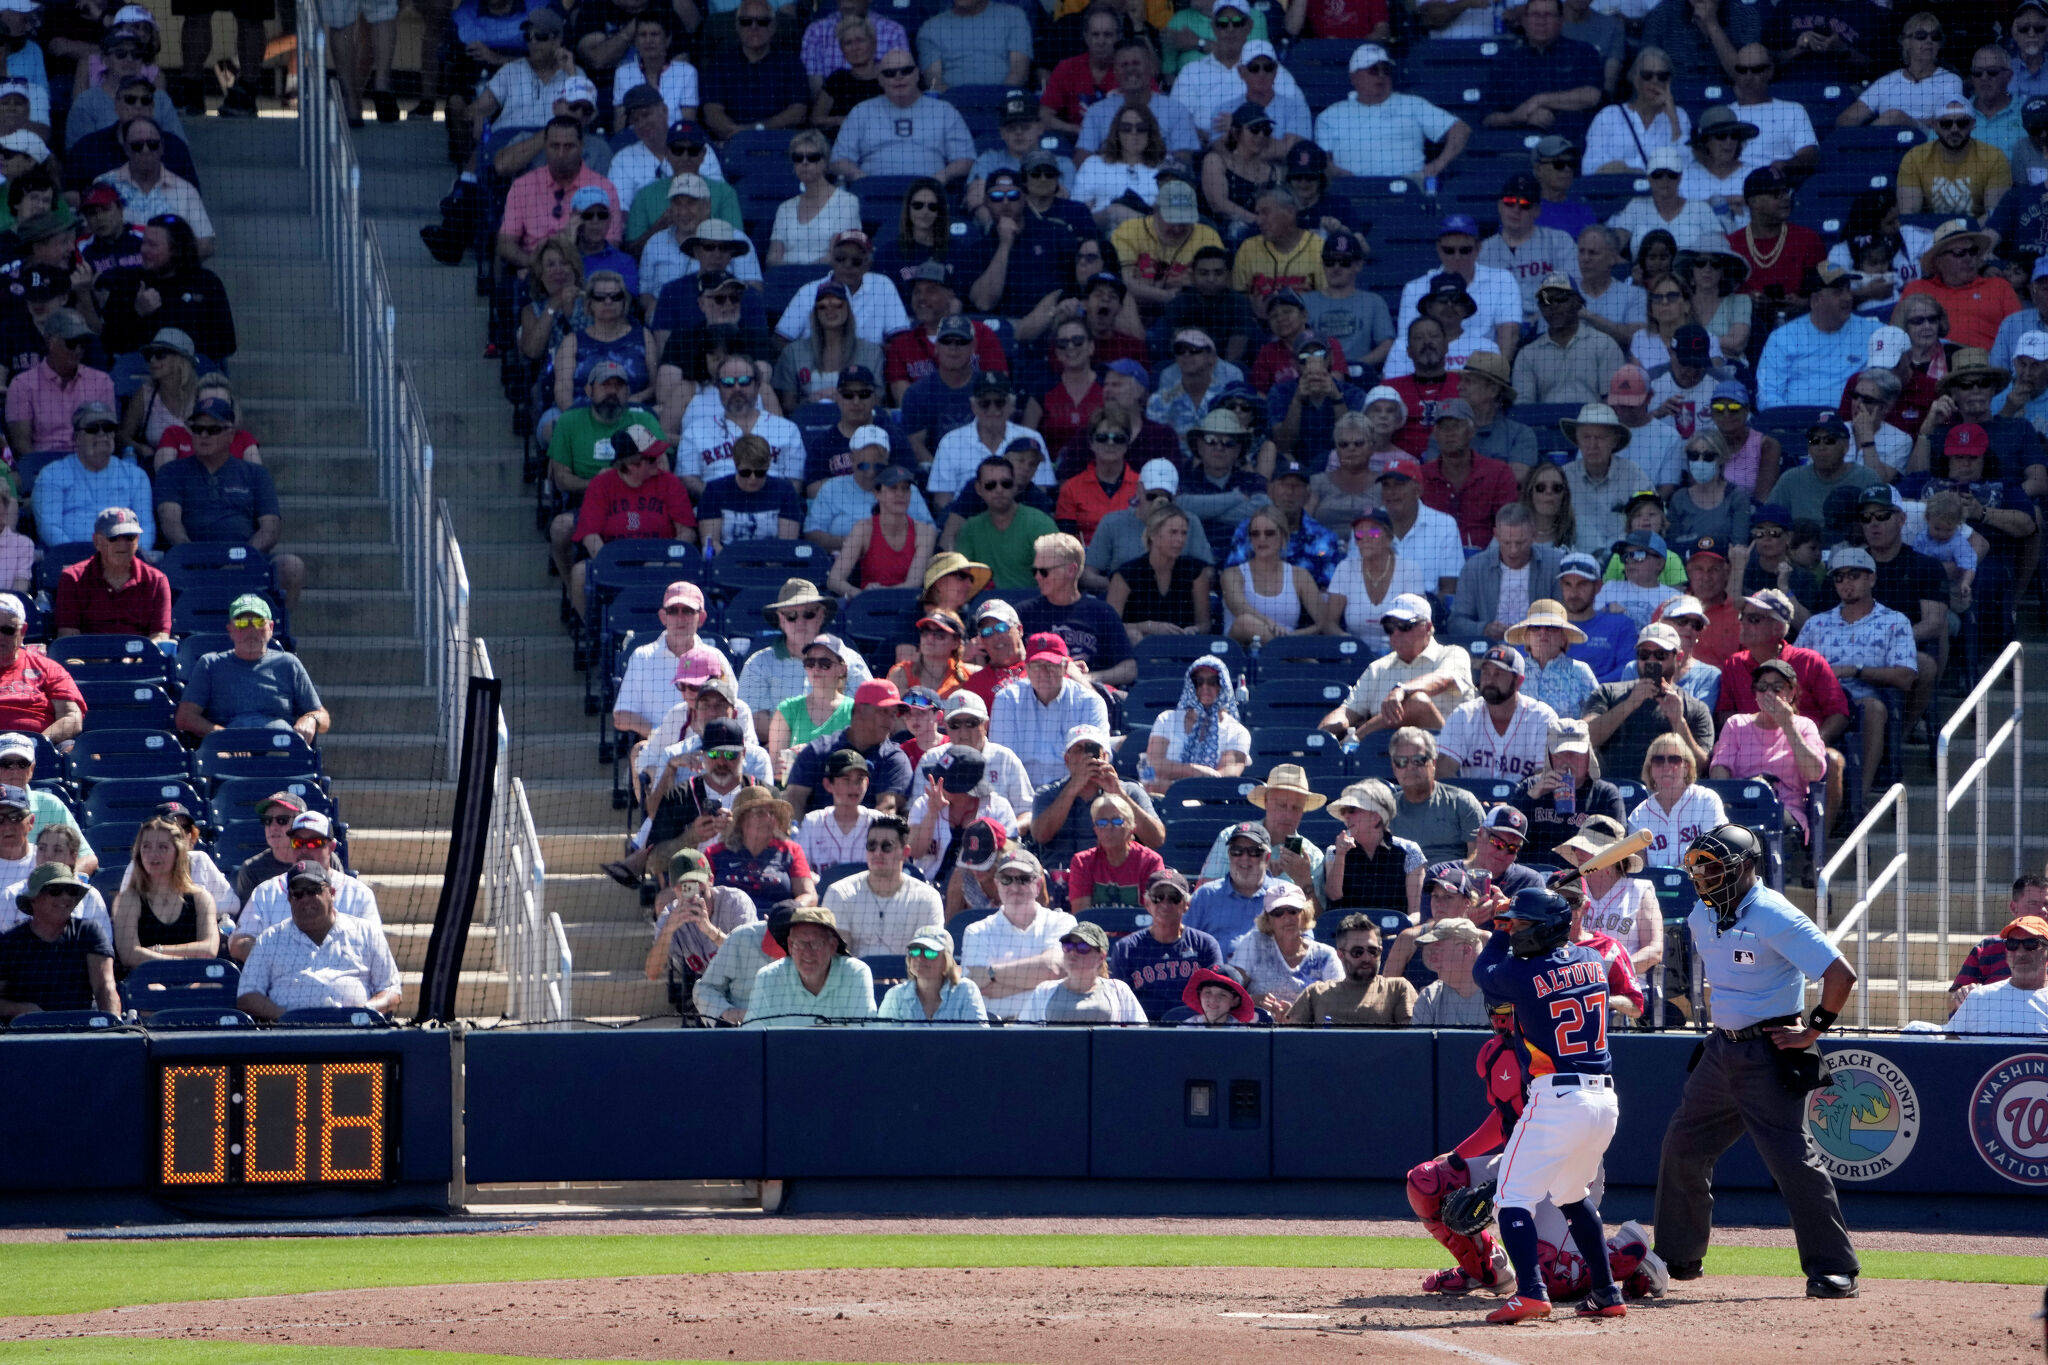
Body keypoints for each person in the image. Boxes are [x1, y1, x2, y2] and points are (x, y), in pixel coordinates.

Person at [1654, 824, 1859, 1295]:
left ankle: (1836, 1268)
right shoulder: (1701, 914)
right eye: (1698, 869)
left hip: (1770, 1049)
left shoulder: (1772, 912)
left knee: (1792, 1161)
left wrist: (1813, 1029)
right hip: (1720, 1050)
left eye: (1713, 869)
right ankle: (1678, 1257)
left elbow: (1839, 973)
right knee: (1682, 1146)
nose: (1702, 878)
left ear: (1745, 867)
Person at [1470, 886, 1629, 1324]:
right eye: (1516, 924)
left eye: (1525, 926)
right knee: (1571, 1194)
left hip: (1557, 1097)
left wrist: (1499, 925)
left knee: (1510, 1198)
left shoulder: (1521, 974)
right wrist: (1521, 912)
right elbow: (1560, 953)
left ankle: (1531, 1292)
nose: (1518, 932)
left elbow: (1484, 970)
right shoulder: (1593, 962)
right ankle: (1605, 1291)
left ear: (1549, 929)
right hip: (1603, 1102)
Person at [1788, 549, 1919, 810]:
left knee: (1874, 708)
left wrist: (1854, 670)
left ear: (1871, 579)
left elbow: (1906, 676)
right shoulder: (1817, 624)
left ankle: (1859, 798)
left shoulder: (1894, 621)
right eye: (1839, 578)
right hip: (1818, 696)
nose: (1846, 583)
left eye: (1854, 575)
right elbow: (1792, 671)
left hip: (1863, 696)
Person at [236, 861, 401, 1020]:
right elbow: (247, 995)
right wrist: (286, 1017)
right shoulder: (269, 938)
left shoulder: (366, 932)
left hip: (354, 1034)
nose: (305, 898)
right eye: (298, 893)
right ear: (289, 900)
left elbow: (391, 990)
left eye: (313, 890)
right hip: (292, 1038)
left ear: (332, 893)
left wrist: (365, 1010)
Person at [1585, 621, 1714, 779]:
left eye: (1660, 654)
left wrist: (1678, 722)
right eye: (1644, 654)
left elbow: (1701, 767)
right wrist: (1628, 704)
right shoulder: (1608, 693)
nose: (1651, 661)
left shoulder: (1695, 707)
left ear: (1678, 657)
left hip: (1669, 798)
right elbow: (1585, 739)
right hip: (1614, 793)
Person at [959, 847, 1072, 1015]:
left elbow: (1053, 969)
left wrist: (991, 973)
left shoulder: (1062, 922)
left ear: (1038, 884)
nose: (1014, 886)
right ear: (997, 883)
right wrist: (1040, 979)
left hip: (1048, 1028)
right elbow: (975, 987)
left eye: (1023, 879)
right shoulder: (976, 931)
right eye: (1006, 879)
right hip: (995, 1032)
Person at [783, 679, 916, 816]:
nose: (890, 720)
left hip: (870, 835)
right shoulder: (818, 751)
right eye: (883, 711)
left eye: (894, 713)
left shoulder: (894, 758)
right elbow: (794, 800)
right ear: (859, 710)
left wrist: (852, 835)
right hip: (816, 835)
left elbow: (887, 808)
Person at [1103, 868, 1223, 1019]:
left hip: (1195, 1030)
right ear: (1147, 904)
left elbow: (1218, 995)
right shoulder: (1126, 948)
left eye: (1174, 897)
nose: (1165, 903)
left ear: (1186, 904)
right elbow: (1119, 1003)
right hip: (1144, 1031)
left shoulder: (1205, 945)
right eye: (1158, 897)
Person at [0, 863, 117, 1017]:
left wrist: (113, 1026)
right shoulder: (11, 943)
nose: (65, 897)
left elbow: (104, 986)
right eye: (55, 891)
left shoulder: (88, 932)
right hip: (25, 1035)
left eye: (71, 891)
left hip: (82, 1032)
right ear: (33, 899)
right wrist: (22, 1010)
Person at [822, 811, 945, 956]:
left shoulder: (927, 898)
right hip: (855, 977)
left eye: (886, 846)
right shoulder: (839, 893)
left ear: (905, 852)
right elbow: (838, 957)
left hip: (909, 976)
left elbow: (928, 956)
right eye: (871, 846)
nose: (877, 853)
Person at [1436, 645, 1561, 783]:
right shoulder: (1463, 715)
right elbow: (1443, 771)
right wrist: (1470, 800)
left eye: (1498, 673)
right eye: (1486, 672)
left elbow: (1545, 776)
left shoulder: (1542, 718)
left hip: (1523, 802)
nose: (1489, 679)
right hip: (1474, 801)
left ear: (1518, 681)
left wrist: (1517, 799)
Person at [110, 815, 220, 969]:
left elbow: (209, 950)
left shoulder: (202, 898)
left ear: (178, 852)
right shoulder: (127, 900)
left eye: (162, 847)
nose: (153, 854)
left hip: (194, 978)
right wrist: (182, 962)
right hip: (147, 982)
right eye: (146, 846)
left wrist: (157, 950)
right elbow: (129, 955)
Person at [1893, 219, 2020, 351]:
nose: (1968, 258)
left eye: (1972, 251)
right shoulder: (1917, 289)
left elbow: (2020, 337)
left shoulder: (1999, 286)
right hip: (1930, 365)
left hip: (1985, 365)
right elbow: (1895, 336)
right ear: (1938, 262)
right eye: (1959, 252)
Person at [742, 905, 877, 1027]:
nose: (807, 952)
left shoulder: (855, 973)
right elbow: (753, 1037)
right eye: (799, 944)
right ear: (790, 945)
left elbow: (863, 1037)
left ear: (833, 946)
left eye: (816, 944)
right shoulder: (767, 978)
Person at [50, 507, 168, 642]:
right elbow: (69, 637)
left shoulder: (157, 580)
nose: (123, 544)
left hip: (141, 660)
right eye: (114, 537)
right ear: (97, 541)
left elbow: (160, 635)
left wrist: (137, 658)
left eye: (130, 537)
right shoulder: (72, 578)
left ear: (138, 539)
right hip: (88, 660)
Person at [1229, 883, 1339, 1015]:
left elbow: (1338, 1002)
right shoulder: (1254, 943)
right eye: (1278, 913)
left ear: (1304, 914)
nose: (1287, 918)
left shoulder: (1326, 955)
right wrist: (1252, 1000)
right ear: (1268, 919)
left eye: (1293, 911)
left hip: (1309, 1032)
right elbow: (1229, 991)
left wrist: (1299, 1012)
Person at [1284, 914, 1415, 1025]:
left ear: (1380, 951)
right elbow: (1292, 1041)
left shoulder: (1398, 989)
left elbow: (1414, 1042)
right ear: (1341, 955)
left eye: (1372, 951)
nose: (1366, 957)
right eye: (1357, 952)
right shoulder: (1315, 994)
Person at [1142, 656, 1248, 790]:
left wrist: (1173, 786)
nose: (1205, 687)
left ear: (1223, 685)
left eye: (1212, 682)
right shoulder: (1166, 719)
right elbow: (1153, 766)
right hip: (1163, 799)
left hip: (1210, 803)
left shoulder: (1238, 732)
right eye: (1199, 682)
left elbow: (1224, 779)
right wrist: (1196, 771)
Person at [1323, 779, 1423, 919]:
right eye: (1344, 811)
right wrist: (1341, 855)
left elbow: (1415, 912)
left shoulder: (1410, 851)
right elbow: (1334, 895)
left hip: (1395, 935)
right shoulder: (1333, 852)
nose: (1346, 816)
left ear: (1376, 817)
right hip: (1347, 936)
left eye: (1352, 810)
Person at [1627, 731, 1727, 868]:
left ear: (1687, 767)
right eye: (1658, 760)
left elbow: (1714, 851)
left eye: (1675, 759)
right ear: (1650, 769)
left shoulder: (1706, 801)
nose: (1666, 766)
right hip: (1655, 888)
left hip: (1700, 885)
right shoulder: (1639, 816)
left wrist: (1678, 874)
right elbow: (1639, 869)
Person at [1584, 48, 1688, 175]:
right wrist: (1629, 171)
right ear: (1634, 78)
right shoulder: (1608, 116)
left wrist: (1673, 118)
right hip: (1618, 191)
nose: (1654, 81)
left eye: (1662, 76)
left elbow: (1686, 165)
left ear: (1669, 81)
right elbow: (1589, 167)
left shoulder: (1679, 116)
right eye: (1647, 75)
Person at [1945, 913, 2048, 1035]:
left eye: (2030, 944)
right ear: (2006, 953)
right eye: (2012, 944)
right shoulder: (1979, 997)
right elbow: (1951, 1043)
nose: (2020, 952)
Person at [877, 922, 989, 1024]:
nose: (920, 958)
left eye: (930, 953)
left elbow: (978, 1042)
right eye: (915, 951)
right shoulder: (895, 996)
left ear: (946, 961)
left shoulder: (966, 991)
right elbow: (882, 1043)